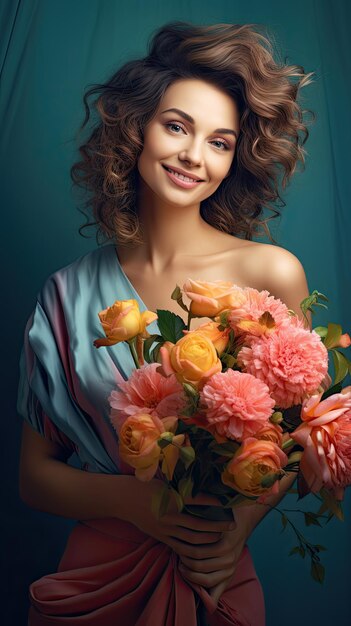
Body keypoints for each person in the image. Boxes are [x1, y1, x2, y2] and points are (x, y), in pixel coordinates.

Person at [17, 21, 314, 626]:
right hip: (93, 583)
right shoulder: (65, 294)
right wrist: (139, 503)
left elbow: (297, 444)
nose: (193, 156)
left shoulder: (272, 274)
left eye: (220, 142)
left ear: (236, 159)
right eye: (177, 126)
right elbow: (33, 478)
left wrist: (237, 529)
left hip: (213, 574)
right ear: (136, 128)